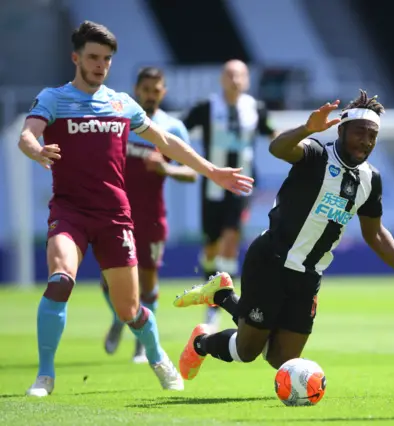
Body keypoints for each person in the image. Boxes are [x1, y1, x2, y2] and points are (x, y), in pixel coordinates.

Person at [18, 21, 253, 397]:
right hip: (70, 212)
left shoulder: (121, 103)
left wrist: (211, 171)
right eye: (93, 57)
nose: (100, 65)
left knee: (131, 309)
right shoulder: (54, 98)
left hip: (115, 215)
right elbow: (28, 133)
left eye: (107, 59)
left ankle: (158, 356)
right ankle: (45, 375)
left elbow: (167, 142)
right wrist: (36, 149)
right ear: (76, 57)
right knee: (61, 280)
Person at [172, 90, 394, 382]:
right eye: (360, 133)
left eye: (372, 136)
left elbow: (376, 235)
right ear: (341, 130)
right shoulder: (316, 154)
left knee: (282, 360)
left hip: (309, 275)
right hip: (271, 261)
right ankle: (201, 342)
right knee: (247, 351)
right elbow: (277, 149)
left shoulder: (371, 179)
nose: (366, 141)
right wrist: (307, 128)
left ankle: (221, 294)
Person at [101, 67, 197, 363]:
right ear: (136, 90)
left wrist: (166, 167)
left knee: (148, 279)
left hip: (151, 216)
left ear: (163, 92)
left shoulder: (172, 128)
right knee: (108, 280)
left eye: (157, 90)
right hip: (115, 213)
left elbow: (192, 172)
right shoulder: (120, 121)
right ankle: (121, 316)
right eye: (146, 89)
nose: (151, 95)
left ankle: (143, 342)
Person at [182, 59, 278, 328]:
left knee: (230, 237)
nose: (235, 79)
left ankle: (222, 301)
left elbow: (273, 133)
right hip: (213, 185)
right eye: (230, 74)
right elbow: (180, 130)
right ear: (222, 79)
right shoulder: (207, 107)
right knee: (212, 244)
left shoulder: (255, 108)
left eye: (240, 75)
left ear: (247, 80)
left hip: (242, 184)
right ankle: (211, 286)